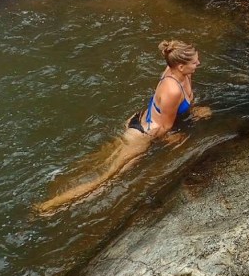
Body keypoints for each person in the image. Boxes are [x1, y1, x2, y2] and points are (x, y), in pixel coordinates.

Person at [36, 40, 209, 215]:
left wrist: (194, 110)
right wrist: (176, 141)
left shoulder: (179, 72)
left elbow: (176, 105)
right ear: (180, 66)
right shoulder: (173, 90)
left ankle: (62, 183)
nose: (198, 63)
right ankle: (51, 206)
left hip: (140, 120)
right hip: (142, 135)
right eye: (194, 62)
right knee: (107, 178)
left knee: (102, 160)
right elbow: (164, 127)